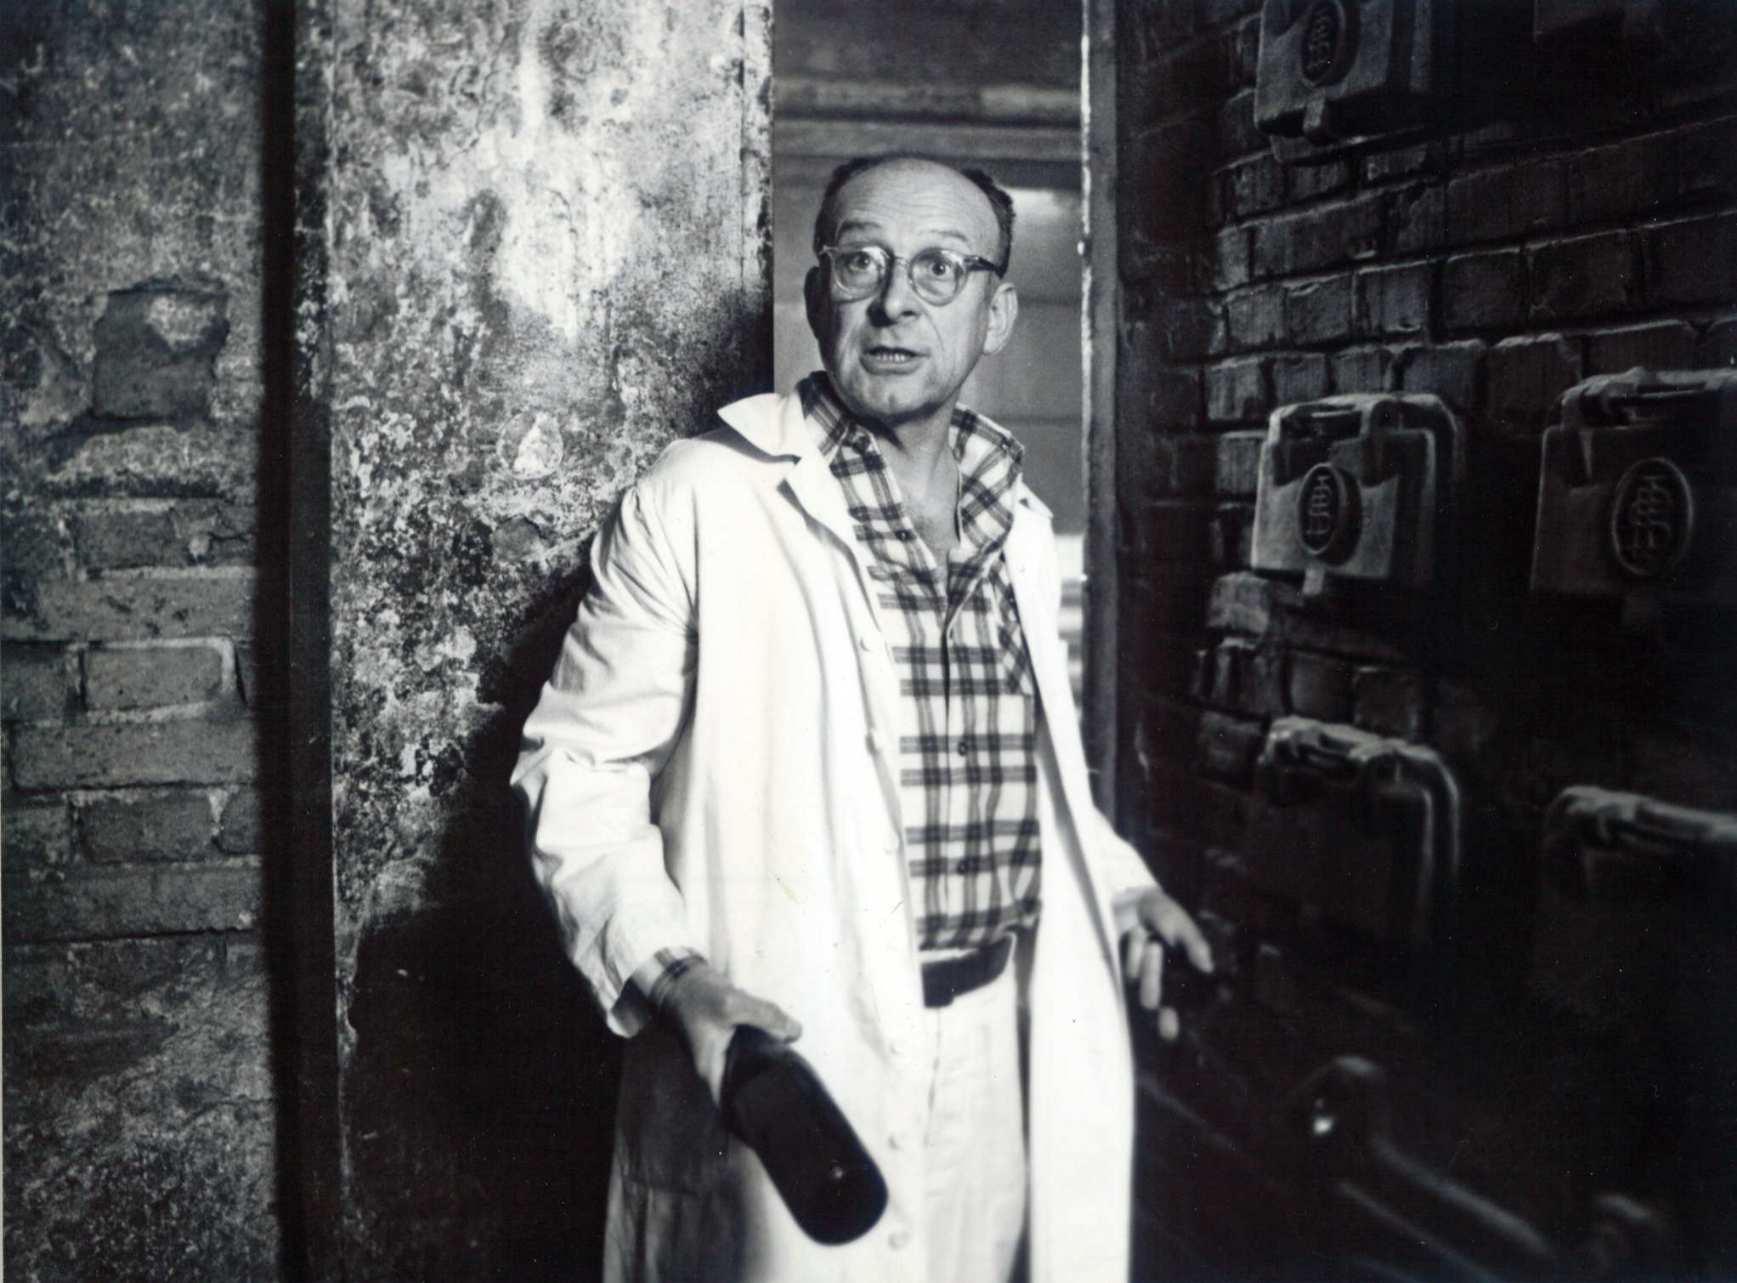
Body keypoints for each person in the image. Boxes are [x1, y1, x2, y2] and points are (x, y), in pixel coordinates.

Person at [512, 154, 1213, 1283]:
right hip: (783, 1050)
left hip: (989, 1051)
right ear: (816, 294)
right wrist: (676, 977)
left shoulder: (1019, 521)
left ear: (995, 314)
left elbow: (1024, 776)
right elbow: (578, 770)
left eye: (940, 269)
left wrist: (1121, 891)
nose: (895, 303)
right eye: (861, 263)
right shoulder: (700, 495)